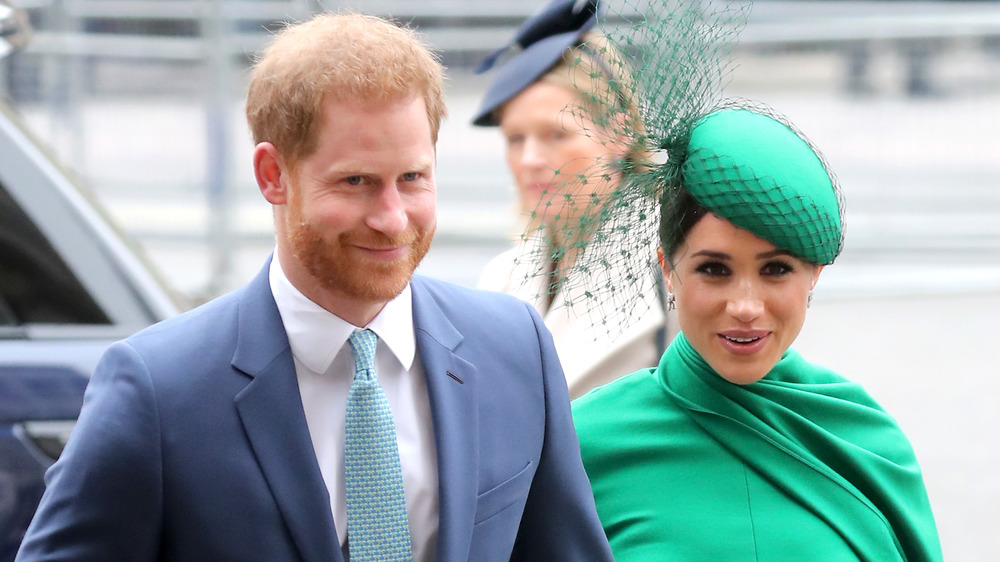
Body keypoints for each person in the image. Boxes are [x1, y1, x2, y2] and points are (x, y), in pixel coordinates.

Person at [16, 13, 613, 562]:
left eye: (412, 178)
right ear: (273, 175)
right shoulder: (156, 388)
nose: (392, 217)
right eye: (355, 182)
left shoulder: (514, 348)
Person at [572, 105, 943, 560]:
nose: (745, 307)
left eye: (775, 269)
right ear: (667, 269)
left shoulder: (869, 443)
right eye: (714, 269)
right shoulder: (586, 446)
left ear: (815, 275)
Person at [472, 0, 674, 398]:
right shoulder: (501, 277)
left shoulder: (676, 266)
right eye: (515, 139)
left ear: (619, 134)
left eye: (556, 134)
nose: (529, 160)